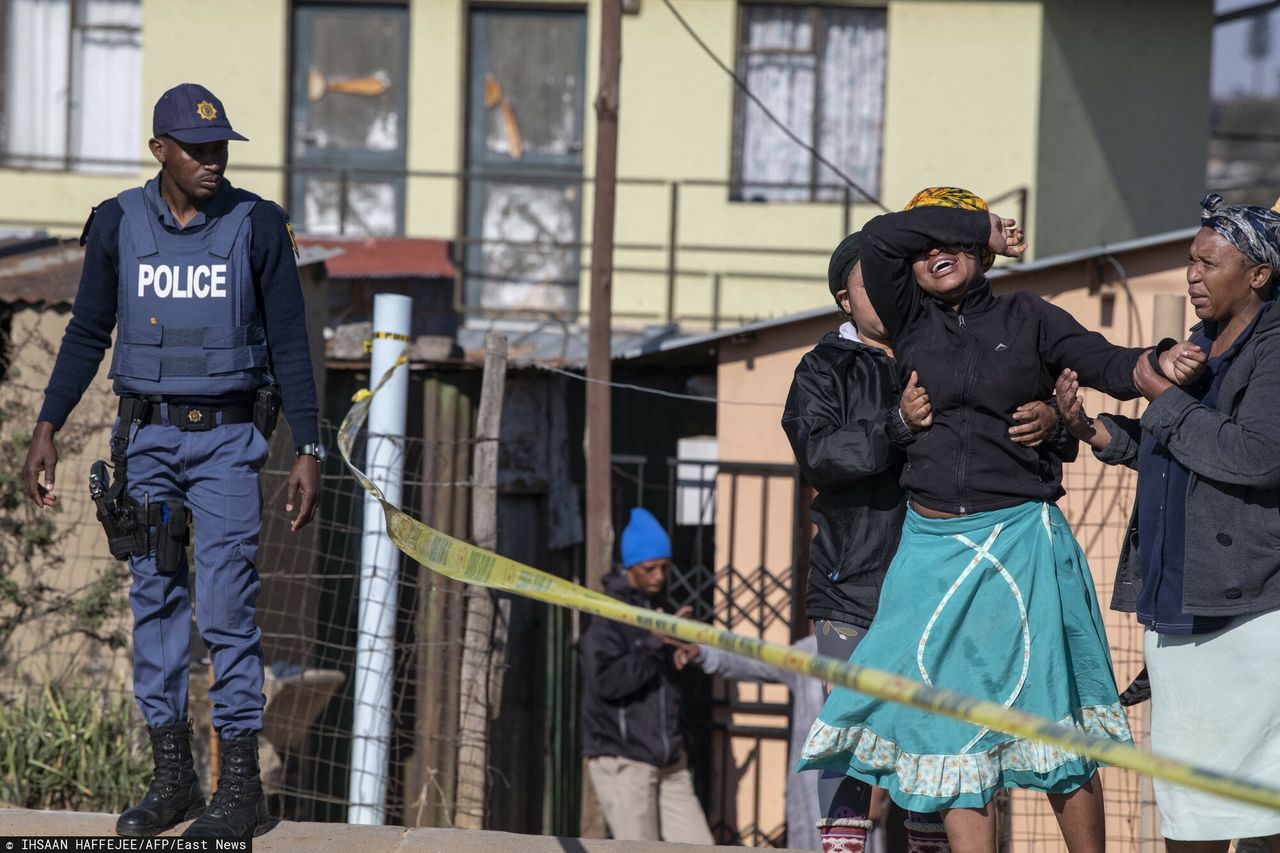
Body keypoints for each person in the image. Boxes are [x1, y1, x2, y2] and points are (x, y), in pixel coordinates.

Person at [797, 187, 1202, 853]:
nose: (937, 254)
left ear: (984, 258)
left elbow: (1103, 361)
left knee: (1054, 729)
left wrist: (1155, 363)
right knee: (946, 734)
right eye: (927, 244)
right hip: (931, 548)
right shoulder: (908, 321)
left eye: (954, 243)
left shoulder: (1030, 316)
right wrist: (976, 224)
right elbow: (877, 239)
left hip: (1022, 541)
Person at [20, 83, 322, 840]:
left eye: (221, 147)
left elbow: (291, 346)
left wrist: (309, 447)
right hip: (146, 439)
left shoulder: (258, 226)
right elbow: (88, 332)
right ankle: (173, 777)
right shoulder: (120, 224)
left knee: (226, 607)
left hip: (227, 442)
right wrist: (47, 424)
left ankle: (241, 786)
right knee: (153, 602)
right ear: (160, 149)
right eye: (197, 148)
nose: (213, 161)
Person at [779, 235, 1066, 853]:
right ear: (842, 299)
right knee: (850, 734)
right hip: (853, 587)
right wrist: (897, 425)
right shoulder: (823, 368)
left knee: (940, 739)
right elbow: (820, 456)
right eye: (869, 282)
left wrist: (1056, 420)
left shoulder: (947, 342)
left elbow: (1005, 428)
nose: (887, 291)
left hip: (943, 581)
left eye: (894, 278)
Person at [1054, 194, 1280, 851]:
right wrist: (1097, 430)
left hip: (1251, 615)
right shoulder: (1202, 345)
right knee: (1189, 808)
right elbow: (1180, 446)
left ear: (1258, 274)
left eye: (1209, 263)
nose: (1192, 275)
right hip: (1182, 603)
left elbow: (1254, 456)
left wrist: (1162, 399)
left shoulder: (1273, 348)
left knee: (1261, 804)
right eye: (1189, 261)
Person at [578, 507, 715, 844]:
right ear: (629, 567)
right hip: (624, 761)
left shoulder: (659, 606)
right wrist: (654, 642)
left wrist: (676, 651)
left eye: (665, 568)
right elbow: (608, 682)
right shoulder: (607, 614)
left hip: (670, 761)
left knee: (702, 848)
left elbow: (655, 677)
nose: (658, 577)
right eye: (649, 568)